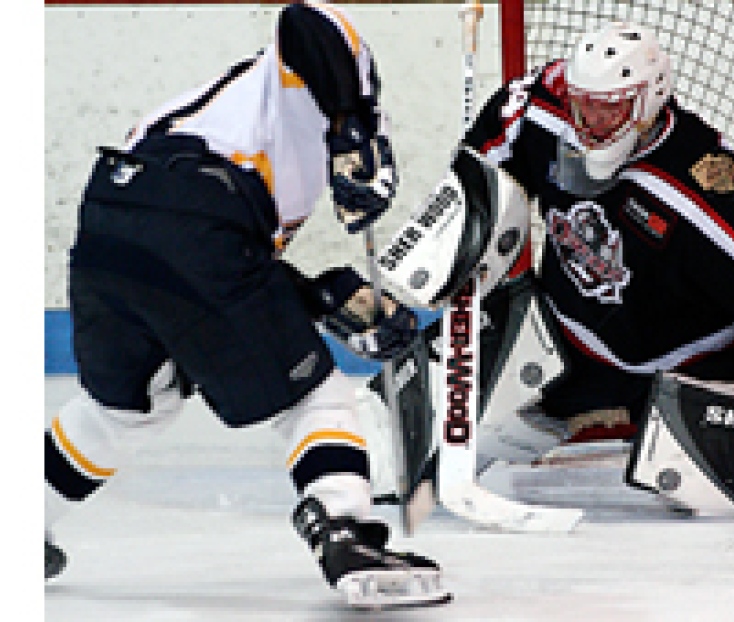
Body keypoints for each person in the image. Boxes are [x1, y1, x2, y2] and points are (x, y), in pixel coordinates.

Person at [375, 21, 734, 518]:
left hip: (686, 367)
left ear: (649, 100)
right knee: (389, 448)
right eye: (585, 103)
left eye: (612, 106)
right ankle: (522, 414)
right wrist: (449, 250)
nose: (592, 121)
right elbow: (479, 172)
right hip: (567, 338)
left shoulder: (697, 183)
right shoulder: (543, 108)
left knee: (693, 475)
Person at [44, 2, 449, 609]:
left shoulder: (223, 114)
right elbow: (304, 18)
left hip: (109, 227)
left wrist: (319, 297)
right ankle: (343, 529)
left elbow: (207, 264)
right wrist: (351, 126)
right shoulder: (329, 82)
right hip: (191, 219)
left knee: (123, 409)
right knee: (317, 391)